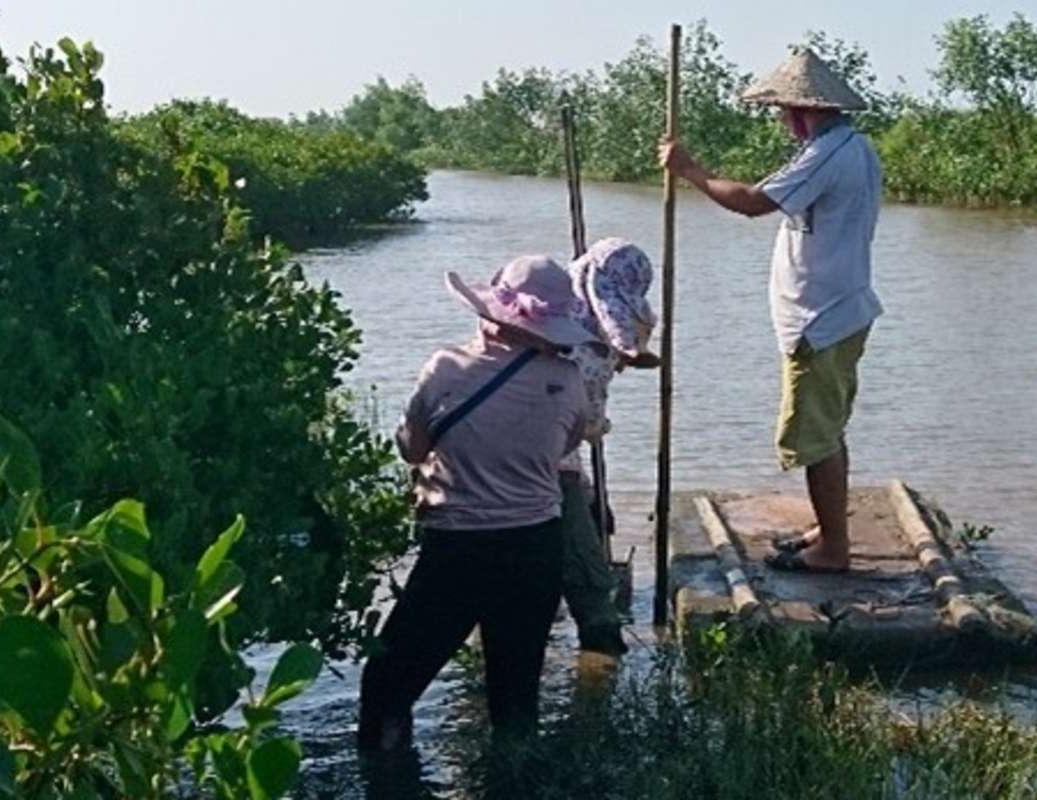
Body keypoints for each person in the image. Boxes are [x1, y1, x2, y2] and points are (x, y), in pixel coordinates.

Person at [356, 254, 613, 753]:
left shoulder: (446, 367)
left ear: (493, 316)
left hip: (456, 549)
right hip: (535, 549)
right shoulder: (569, 384)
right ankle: (512, 782)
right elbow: (561, 450)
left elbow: (412, 450)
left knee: (388, 685)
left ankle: (387, 780)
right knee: (515, 704)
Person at [659, 47, 881, 573]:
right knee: (828, 429)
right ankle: (828, 531)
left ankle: (833, 551)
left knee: (814, 437)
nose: (783, 122)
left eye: (785, 111)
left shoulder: (829, 151)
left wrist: (691, 170)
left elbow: (753, 202)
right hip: (838, 309)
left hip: (822, 316)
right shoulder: (846, 147)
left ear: (807, 110)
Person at [556, 238, 659, 657]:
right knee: (591, 584)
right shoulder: (591, 354)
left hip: (477, 470)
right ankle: (600, 671)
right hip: (543, 468)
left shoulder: (549, 314)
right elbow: (585, 428)